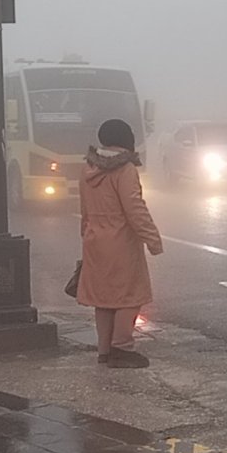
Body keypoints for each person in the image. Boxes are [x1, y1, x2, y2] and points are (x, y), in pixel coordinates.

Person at [77, 119, 163, 368]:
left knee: (103, 299)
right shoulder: (124, 170)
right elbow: (135, 208)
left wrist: (86, 233)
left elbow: (84, 208)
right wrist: (152, 239)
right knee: (129, 296)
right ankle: (122, 348)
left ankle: (104, 350)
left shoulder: (87, 168)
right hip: (120, 242)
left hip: (95, 240)